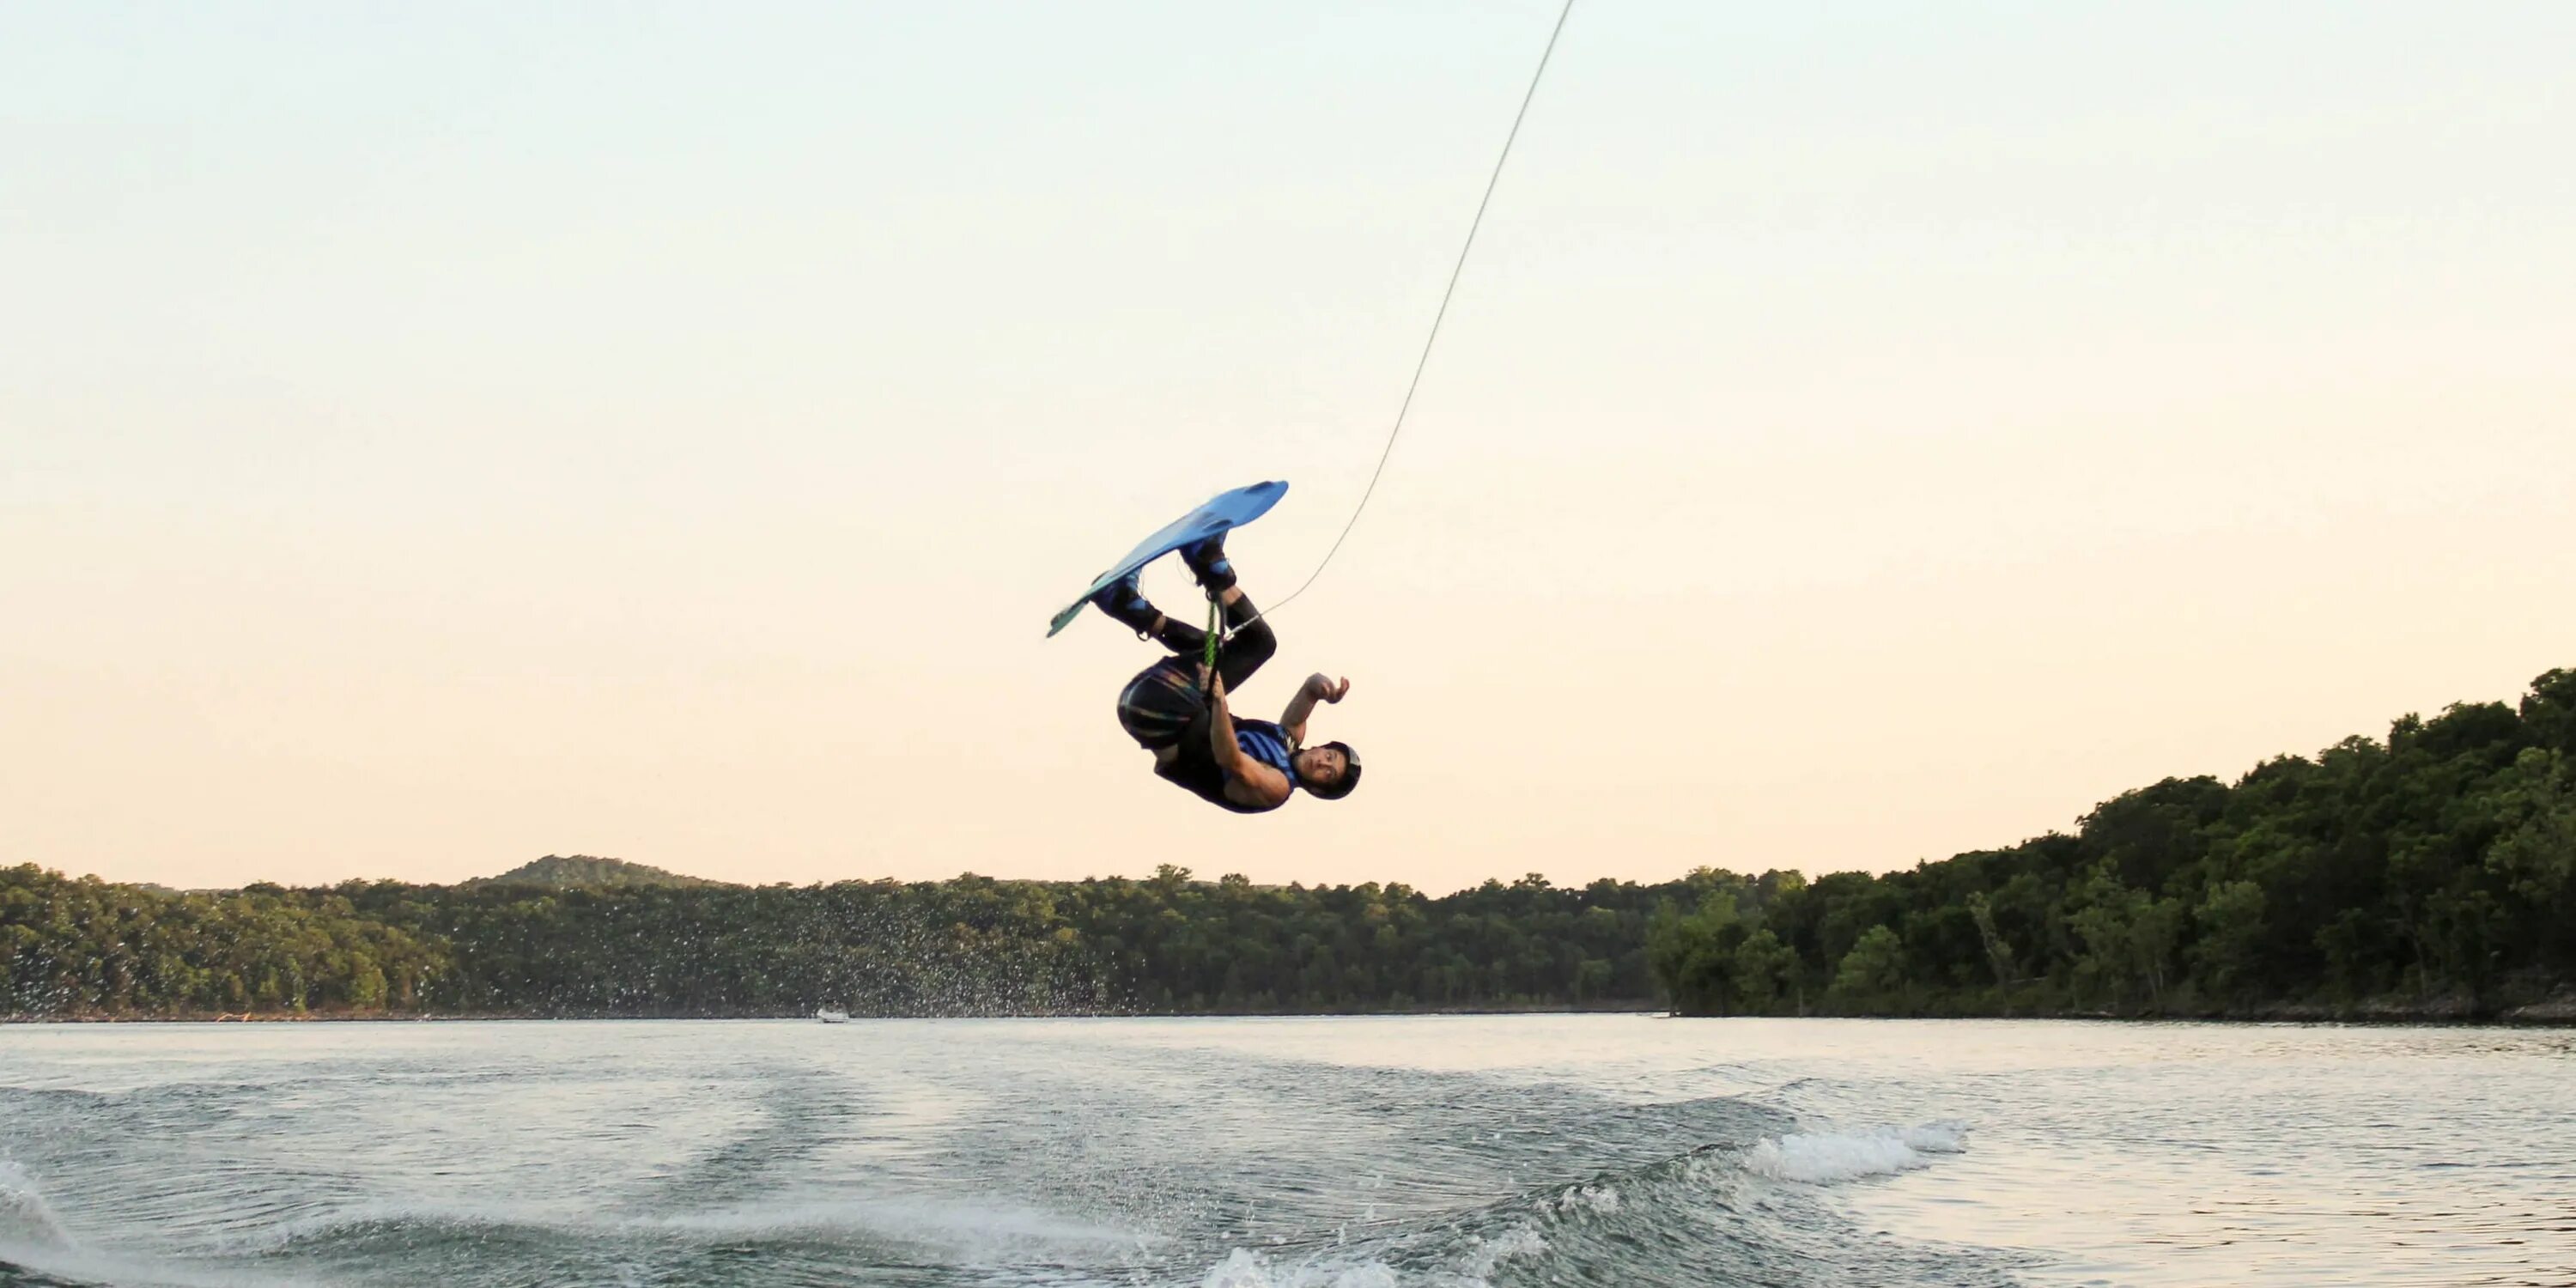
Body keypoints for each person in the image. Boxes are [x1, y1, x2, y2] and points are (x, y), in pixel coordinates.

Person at [1089, 533, 1360, 813]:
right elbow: (1311, 688)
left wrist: (1219, 701)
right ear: (1321, 747)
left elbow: (1232, 761)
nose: (1322, 763)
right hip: (1159, 701)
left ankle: (1208, 564)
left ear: (1316, 789)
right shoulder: (1287, 739)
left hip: (1164, 716)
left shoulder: (1277, 788)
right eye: (1329, 756)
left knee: (1258, 645)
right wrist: (1326, 690)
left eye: (1328, 773)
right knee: (1228, 648)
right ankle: (1125, 603)